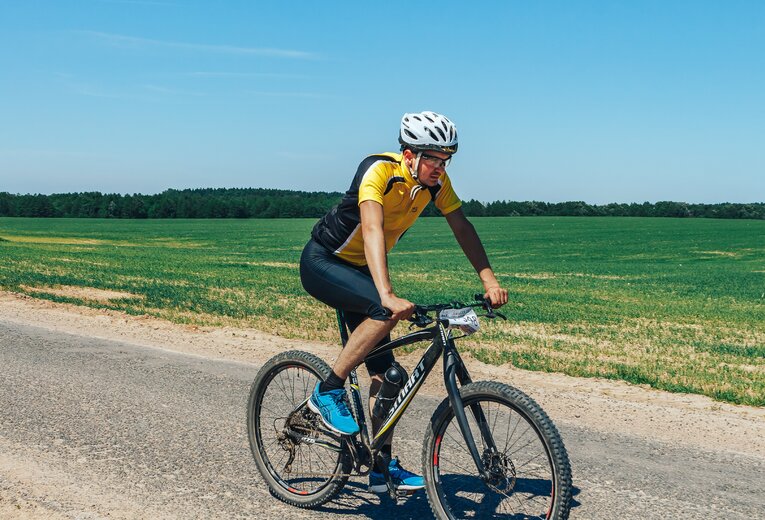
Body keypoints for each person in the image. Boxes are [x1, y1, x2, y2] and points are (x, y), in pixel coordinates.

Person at [299, 111, 508, 493]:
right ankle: (328, 389)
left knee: (390, 377)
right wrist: (386, 294)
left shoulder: (435, 185)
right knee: (382, 311)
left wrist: (489, 279)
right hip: (324, 262)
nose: (440, 168)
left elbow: (462, 226)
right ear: (409, 154)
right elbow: (373, 228)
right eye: (433, 158)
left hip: (362, 273)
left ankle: (381, 468)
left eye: (446, 160)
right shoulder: (377, 170)